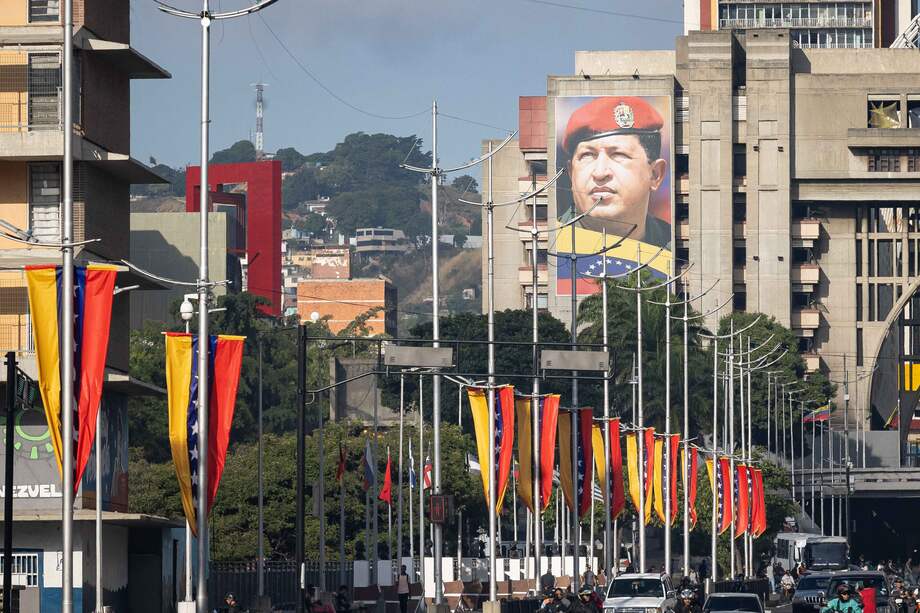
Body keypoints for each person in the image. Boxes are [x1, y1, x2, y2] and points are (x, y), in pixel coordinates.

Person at [560, 96, 671, 248]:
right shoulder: (549, 247)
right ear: (571, 173)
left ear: (655, 175)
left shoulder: (678, 252)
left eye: (618, 155)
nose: (600, 173)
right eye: (587, 155)